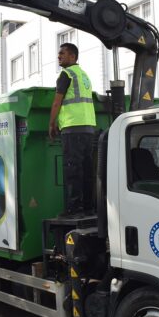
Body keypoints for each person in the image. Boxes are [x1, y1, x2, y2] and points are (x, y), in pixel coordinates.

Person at [48, 43, 96, 217]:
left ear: (73, 57)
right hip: (88, 127)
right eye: (58, 53)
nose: (59, 56)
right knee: (87, 169)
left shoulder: (66, 74)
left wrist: (52, 124)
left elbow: (56, 102)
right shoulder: (84, 76)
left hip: (72, 126)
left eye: (62, 53)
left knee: (72, 169)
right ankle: (88, 207)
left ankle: (73, 209)